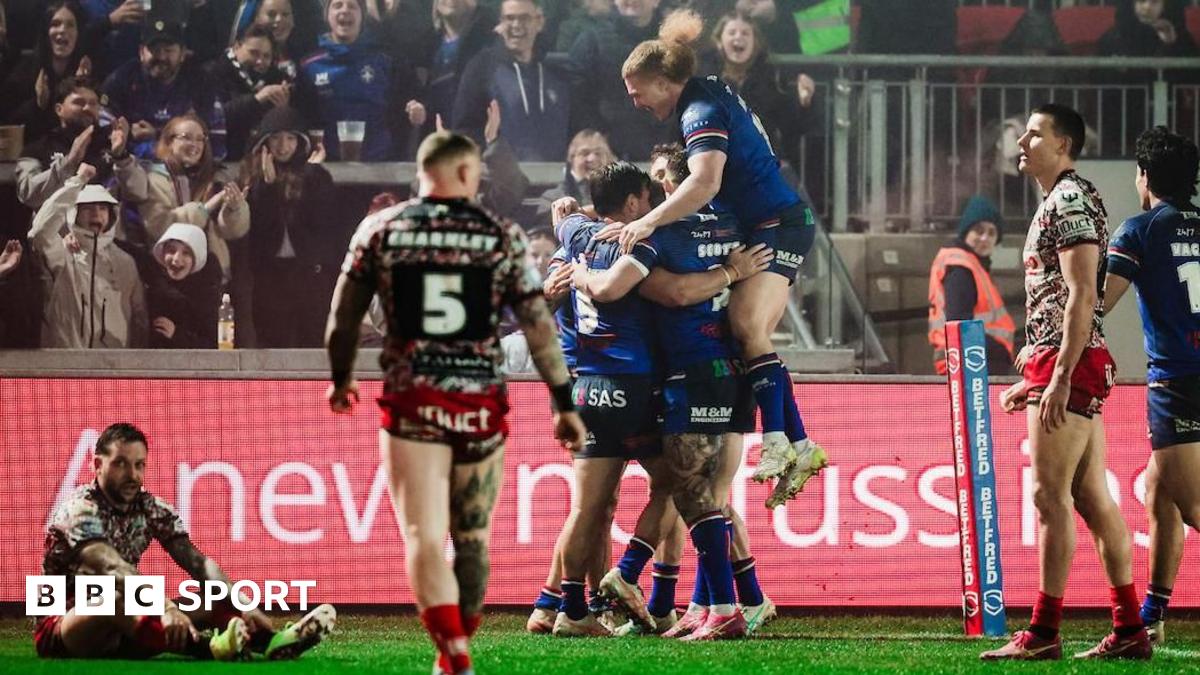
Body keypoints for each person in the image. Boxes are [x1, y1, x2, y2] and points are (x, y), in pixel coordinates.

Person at [324, 131, 585, 674]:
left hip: (414, 398)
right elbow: (539, 327)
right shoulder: (501, 234)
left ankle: (452, 651)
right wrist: (564, 403)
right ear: (467, 173)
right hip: (480, 400)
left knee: (423, 535)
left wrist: (342, 378)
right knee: (472, 539)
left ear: (421, 172)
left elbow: (343, 316)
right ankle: (459, 645)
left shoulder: (380, 229)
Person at [614, 9, 825, 507]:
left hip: (778, 222)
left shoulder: (699, 112)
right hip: (770, 220)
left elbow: (704, 182)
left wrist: (647, 222)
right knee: (750, 334)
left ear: (663, 82)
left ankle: (777, 440)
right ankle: (799, 444)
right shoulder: (708, 91)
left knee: (746, 325)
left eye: (637, 92)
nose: (635, 102)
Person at [570, 152, 777, 638]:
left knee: (688, 492)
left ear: (683, 186)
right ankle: (721, 601)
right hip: (734, 368)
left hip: (685, 373)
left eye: (661, 177)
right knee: (712, 495)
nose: (657, 188)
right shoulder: (739, 225)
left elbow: (653, 291)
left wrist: (580, 272)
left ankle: (703, 601)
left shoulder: (656, 234)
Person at [980, 104, 1150, 661]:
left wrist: (1057, 376)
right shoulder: (1059, 198)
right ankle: (1130, 628)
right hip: (1061, 358)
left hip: (1069, 361)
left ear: (1064, 144)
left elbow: (1082, 294)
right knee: (1090, 496)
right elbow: (1062, 297)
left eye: (1034, 134)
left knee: (1047, 496)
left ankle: (1043, 632)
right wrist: (1037, 371)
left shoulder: (1068, 199)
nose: (1021, 141)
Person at [35, 421, 335, 660]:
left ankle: (274, 643)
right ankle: (211, 649)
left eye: (140, 465)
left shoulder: (151, 507)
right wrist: (165, 608)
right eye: (121, 464)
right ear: (97, 464)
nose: (133, 475)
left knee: (211, 598)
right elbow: (112, 568)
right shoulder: (79, 508)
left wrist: (242, 603)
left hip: (130, 630)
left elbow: (198, 563)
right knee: (112, 596)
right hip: (64, 629)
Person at [1102, 126, 1200, 646]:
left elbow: (1099, 301)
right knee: (1161, 494)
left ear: (1144, 176)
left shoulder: (1140, 230)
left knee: (1193, 506)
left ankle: (1147, 619)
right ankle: (1151, 617)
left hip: (1179, 382)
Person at [239, 105, 344, 347]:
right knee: (272, 343)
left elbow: (322, 223)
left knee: (313, 344)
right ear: (265, 141)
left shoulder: (316, 175)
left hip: (310, 273)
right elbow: (258, 230)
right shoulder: (251, 174)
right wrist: (267, 186)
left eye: (290, 138)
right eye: (276, 138)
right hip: (269, 274)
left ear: (300, 141)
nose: (283, 145)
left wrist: (311, 174)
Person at [26, 163, 146, 348]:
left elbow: (139, 319)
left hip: (114, 362)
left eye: (103, 208)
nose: (96, 214)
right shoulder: (63, 253)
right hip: (66, 360)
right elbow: (40, 232)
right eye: (88, 208)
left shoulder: (125, 261)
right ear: (75, 213)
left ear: (112, 215)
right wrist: (77, 182)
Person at [295, 0, 424, 161]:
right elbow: (302, 116)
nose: (345, 10)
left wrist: (418, 110)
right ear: (327, 15)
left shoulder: (385, 60)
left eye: (352, 6)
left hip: (380, 163)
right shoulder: (310, 65)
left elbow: (412, 98)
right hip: (327, 164)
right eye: (337, 5)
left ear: (362, 15)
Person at [130, 114, 249, 285]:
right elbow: (159, 226)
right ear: (169, 142)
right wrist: (203, 210)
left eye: (200, 139)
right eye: (186, 138)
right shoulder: (155, 179)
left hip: (212, 276)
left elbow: (232, 232)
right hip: (169, 274)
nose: (195, 144)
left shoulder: (217, 177)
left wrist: (234, 209)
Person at [451, 0, 570, 162]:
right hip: (500, 175)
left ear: (539, 22)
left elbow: (574, 129)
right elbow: (464, 129)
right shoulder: (481, 68)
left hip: (554, 174)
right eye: (509, 18)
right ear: (500, 23)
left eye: (524, 18)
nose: (516, 25)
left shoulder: (556, 74)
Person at [702, 11, 818, 170]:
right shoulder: (705, 80)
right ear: (719, 41)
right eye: (731, 32)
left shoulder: (771, 79)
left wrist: (805, 102)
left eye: (745, 33)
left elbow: (792, 127)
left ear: (755, 43)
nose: (738, 37)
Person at [566, 0, 677, 160]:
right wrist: (598, 138)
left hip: (666, 154)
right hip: (610, 154)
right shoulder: (592, 41)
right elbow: (578, 98)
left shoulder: (675, 45)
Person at [102, 20, 228, 160]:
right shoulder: (121, 80)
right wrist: (127, 137)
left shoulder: (201, 82)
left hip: (186, 165)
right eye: (155, 50)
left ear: (182, 54)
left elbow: (216, 141)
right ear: (141, 52)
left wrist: (160, 135)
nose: (161, 57)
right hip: (129, 163)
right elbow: (103, 132)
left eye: (168, 50)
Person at [15, 78, 146, 213]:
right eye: (79, 102)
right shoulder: (37, 148)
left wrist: (121, 157)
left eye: (93, 104)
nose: (87, 108)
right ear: (59, 109)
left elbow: (139, 193)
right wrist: (69, 162)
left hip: (104, 224)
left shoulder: (112, 144)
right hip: (57, 224)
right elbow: (28, 195)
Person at [928, 194, 1016, 376]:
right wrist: (999, 349)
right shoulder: (960, 268)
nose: (984, 238)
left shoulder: (973, 266)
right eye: (978, 230)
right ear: (966, 232)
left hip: (973, 361)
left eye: (991, 233)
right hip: (970, 364)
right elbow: (960, 324)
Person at [0, 1, 99, 143]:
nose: (62, 30)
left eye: (70, 25)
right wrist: (38, 104)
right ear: (46, 32)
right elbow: (8, 123)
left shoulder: (87, 69)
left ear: (78, 33)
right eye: (55, 24)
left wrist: (82, 88)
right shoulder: (25, 70)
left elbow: (97, 122)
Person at [204, 24, 294, 162]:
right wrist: (256, 99)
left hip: (262, 161)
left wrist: (283, 111)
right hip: (223, 160)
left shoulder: (277, 78)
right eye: (254, 53)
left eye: (266, 56)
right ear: (237, 47)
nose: (260, 61)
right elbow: (214, 118)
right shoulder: (212, 73)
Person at [130, 222, 222, 348]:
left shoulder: (206, 295)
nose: (176, 259)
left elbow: (212, 345)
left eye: (186, 253)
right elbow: (131, 251)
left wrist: (176, 334)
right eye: (171, 250)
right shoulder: (155, 278)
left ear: (196, 258)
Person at [533, 129, 615, 228]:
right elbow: (545, 231)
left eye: (598, 153)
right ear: (571, 159)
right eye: (584, 153)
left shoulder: (621, 196)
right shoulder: (552, 198)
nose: (592, 159)